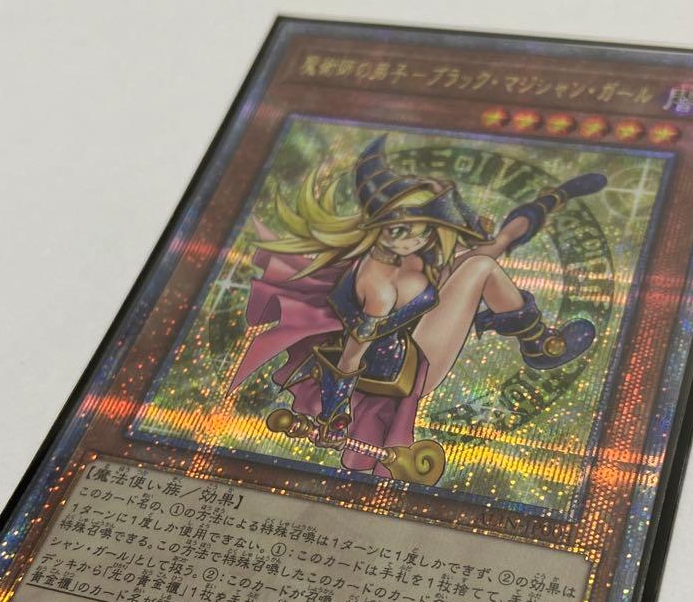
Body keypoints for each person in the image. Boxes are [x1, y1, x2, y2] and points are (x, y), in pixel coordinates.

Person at [229, 135, 605, 475]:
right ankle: (539, 345)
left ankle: (552, 198)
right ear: (382, 227)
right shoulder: (379, 287)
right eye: (402, 230)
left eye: (422, 229)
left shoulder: (408, 251)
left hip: (414, 332)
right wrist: (333, 414)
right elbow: (351, 357)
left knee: (494, 245)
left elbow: (472, 232)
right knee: (481, 266)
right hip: (408, 369)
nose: (416, 239)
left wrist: (445, 196)